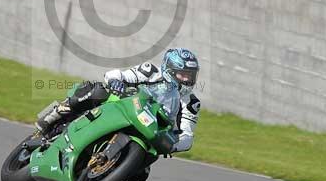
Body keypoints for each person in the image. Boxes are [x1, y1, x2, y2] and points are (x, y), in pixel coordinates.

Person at [35, 48, 201, 160]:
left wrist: (172, 145)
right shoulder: (151, 71)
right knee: (95, 90)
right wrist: (116, 82)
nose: (187, 80)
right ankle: (54, 114)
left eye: (190, 75)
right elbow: (118, 74)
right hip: (125, 107)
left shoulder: (191, 104)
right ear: (169, 69)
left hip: (152, 132)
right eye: (183, 75)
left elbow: (187, 136)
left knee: (141, 173)